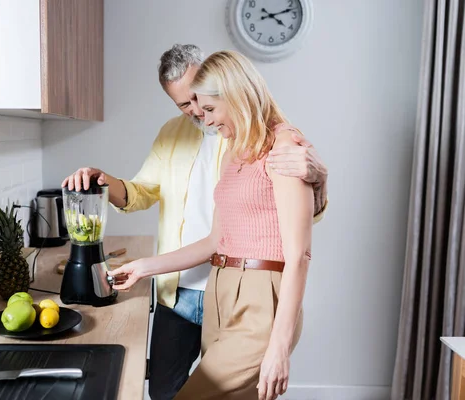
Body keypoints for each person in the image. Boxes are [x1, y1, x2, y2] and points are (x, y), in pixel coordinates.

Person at [62, 44, 328, 400]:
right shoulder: (228, 148)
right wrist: (143, 267)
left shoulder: (280, 144)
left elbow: (297, 249)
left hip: (257, 292)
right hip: (207, 287)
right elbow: (204, 233)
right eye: (188, 105)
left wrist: (319, 180)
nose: (201, 115)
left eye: (206, 104)